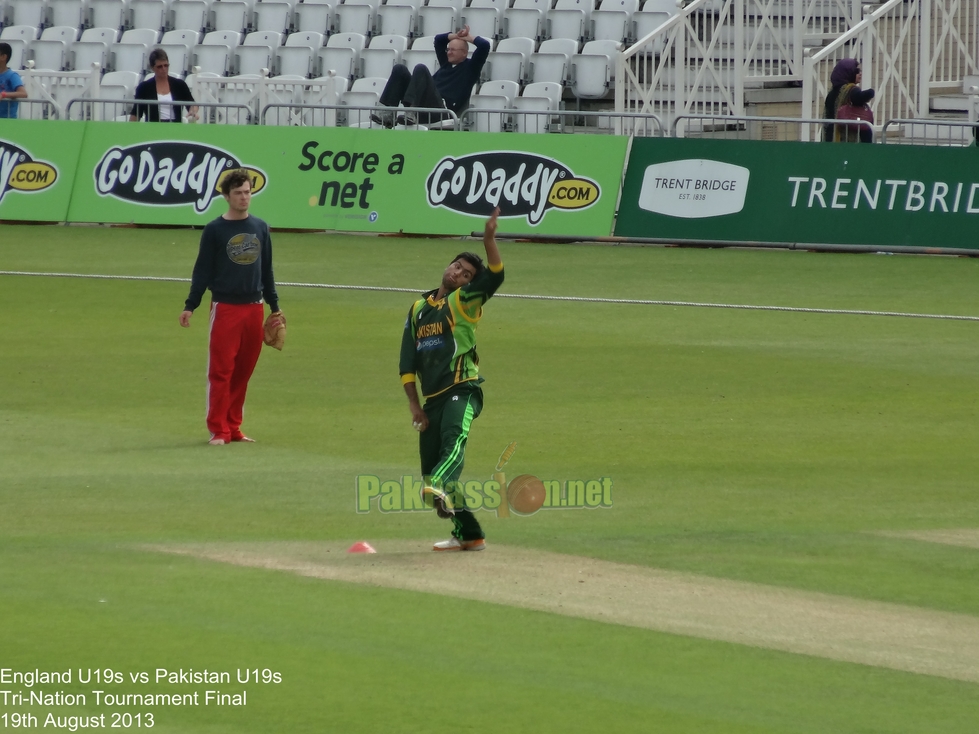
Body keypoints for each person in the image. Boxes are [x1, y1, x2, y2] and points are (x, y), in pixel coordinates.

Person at [399, 208, 504, 552]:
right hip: (432, 400)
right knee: (431, 476)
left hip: (464, 390)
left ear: (468, 283)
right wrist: (415, 405)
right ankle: (470, 533)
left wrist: (489, 240)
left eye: (466, 273)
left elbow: (495, 277)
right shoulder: (418, 309)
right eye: (457, 266)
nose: (458, 273)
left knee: (451, 446)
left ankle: (443, 483)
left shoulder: (465, 302)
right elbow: (407, 361)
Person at [179, 169, 281, 446]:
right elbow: (202, 270)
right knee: (221, 371)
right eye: (238, 193)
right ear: (226, 196)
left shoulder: (260, 227)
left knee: (243, 371)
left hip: (254, 308)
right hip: (225, 308)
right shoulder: (215, 230)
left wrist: (274, 306)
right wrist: (191, 304)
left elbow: (267, 269)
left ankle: (234, 427)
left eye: (247, 192)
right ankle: (218, 430)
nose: (244, 197)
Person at [373, 25, 490, 127]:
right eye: (448, 49)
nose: (448, 52)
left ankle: (411, 111)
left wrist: (468, 38)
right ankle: (387, 114)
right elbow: (438, 40)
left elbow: (484, 46)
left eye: (453, 50)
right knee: (400, 69)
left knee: (421, 69)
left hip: (441, 111)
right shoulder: (446, 63)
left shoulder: (470, 69)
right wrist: (455, 36)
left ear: (464, 53)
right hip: (425, 103)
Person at [130, 49, 197, 122]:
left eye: (166, 65)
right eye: (159, 67)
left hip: (175, 127)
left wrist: (192, 111)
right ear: (152, 68)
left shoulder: (179, 85)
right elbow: (136, 113)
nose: (164, 69)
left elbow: (191, 103)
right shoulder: (144, 87)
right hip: (153, 128)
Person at [823, 58, 875, 143]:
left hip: (831, 137)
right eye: (856, 71)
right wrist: (871, 92)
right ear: (848, 72)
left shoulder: (832, 92)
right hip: (847, 140)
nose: (860, 73)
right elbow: (859, 97)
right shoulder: (850, 90)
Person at [0, 43, 27, 119]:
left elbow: (23, 93)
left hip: (8, 119)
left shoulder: (12, 75)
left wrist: (3, 95)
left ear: (3, 57)